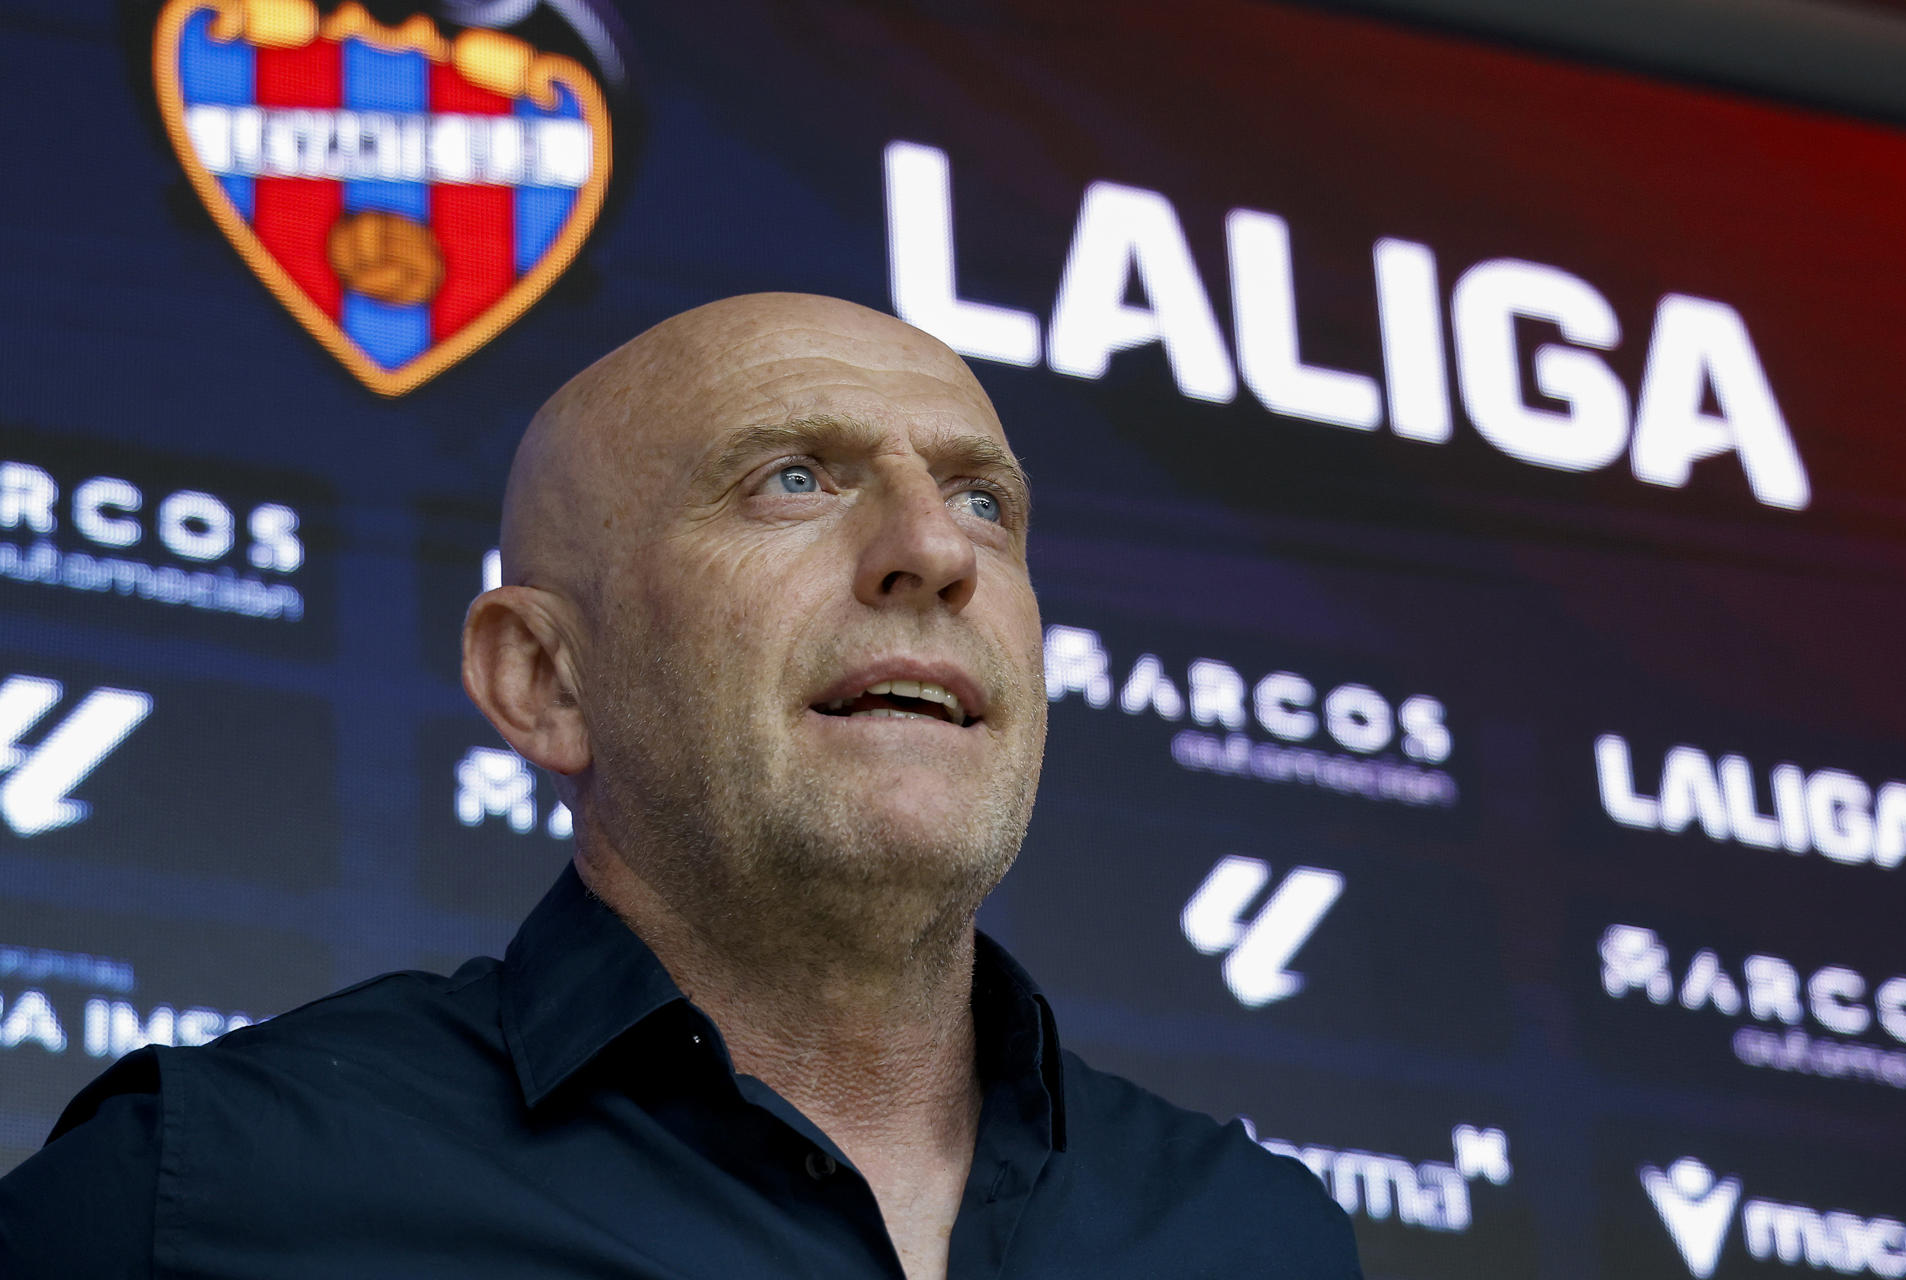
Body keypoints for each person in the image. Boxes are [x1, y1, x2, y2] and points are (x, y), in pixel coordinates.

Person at [0, 294, 1362, 1278]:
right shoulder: (201, 1195)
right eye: (793, 480)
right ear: (546, 677)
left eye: (983, 503)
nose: (936, 551)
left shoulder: (1253, 1234)